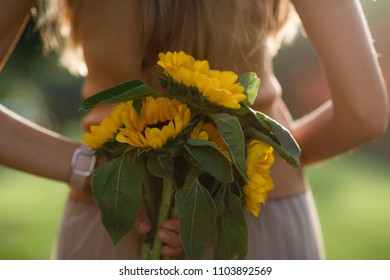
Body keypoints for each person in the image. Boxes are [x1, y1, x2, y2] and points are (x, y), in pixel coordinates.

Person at [0, 0, 388, 259]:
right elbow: (364, 111)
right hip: (257, 222)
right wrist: (246, 166)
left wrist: (88, 169)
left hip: (117, 214)